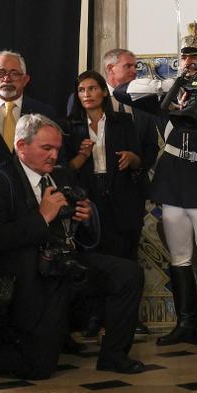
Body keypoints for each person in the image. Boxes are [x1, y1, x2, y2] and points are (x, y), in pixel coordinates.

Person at [0, 113, 145, 377]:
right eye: (46, 148)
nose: (54, 155)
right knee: (39, 367)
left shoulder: (62, 176)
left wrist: (85, 219)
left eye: (57, 148)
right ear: (21, 146)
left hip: (64, 264)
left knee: (127, 273)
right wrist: (42, 217)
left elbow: (84, 237)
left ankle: (113, 356)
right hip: (26, 274)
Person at [118, 26, 197, 346]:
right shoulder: (168, 94)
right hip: (172, 181)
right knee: (179, 256)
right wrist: (170, 82)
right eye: (186, 57)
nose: (190, 62)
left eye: (196, 57)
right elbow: (121, 91)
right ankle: (185, 322)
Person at [64, 71, 154, 337]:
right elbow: (65, 170)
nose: (87, 94)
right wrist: (81, 155)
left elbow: (140, 159)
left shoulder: (123, 121)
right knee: (94, 261)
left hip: (123, 196)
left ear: (104, 91)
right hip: (88, 198)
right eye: (82, 90)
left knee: (125, 257)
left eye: (92, 89)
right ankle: (94, 317)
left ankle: (125, 319)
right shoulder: (69, 126)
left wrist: (131, 158)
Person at [0, 50, 57, 167]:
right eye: (0, 73)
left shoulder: (44, 112)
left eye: (14, 73)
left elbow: (57, 157)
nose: (7, 79)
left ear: (25, 80)